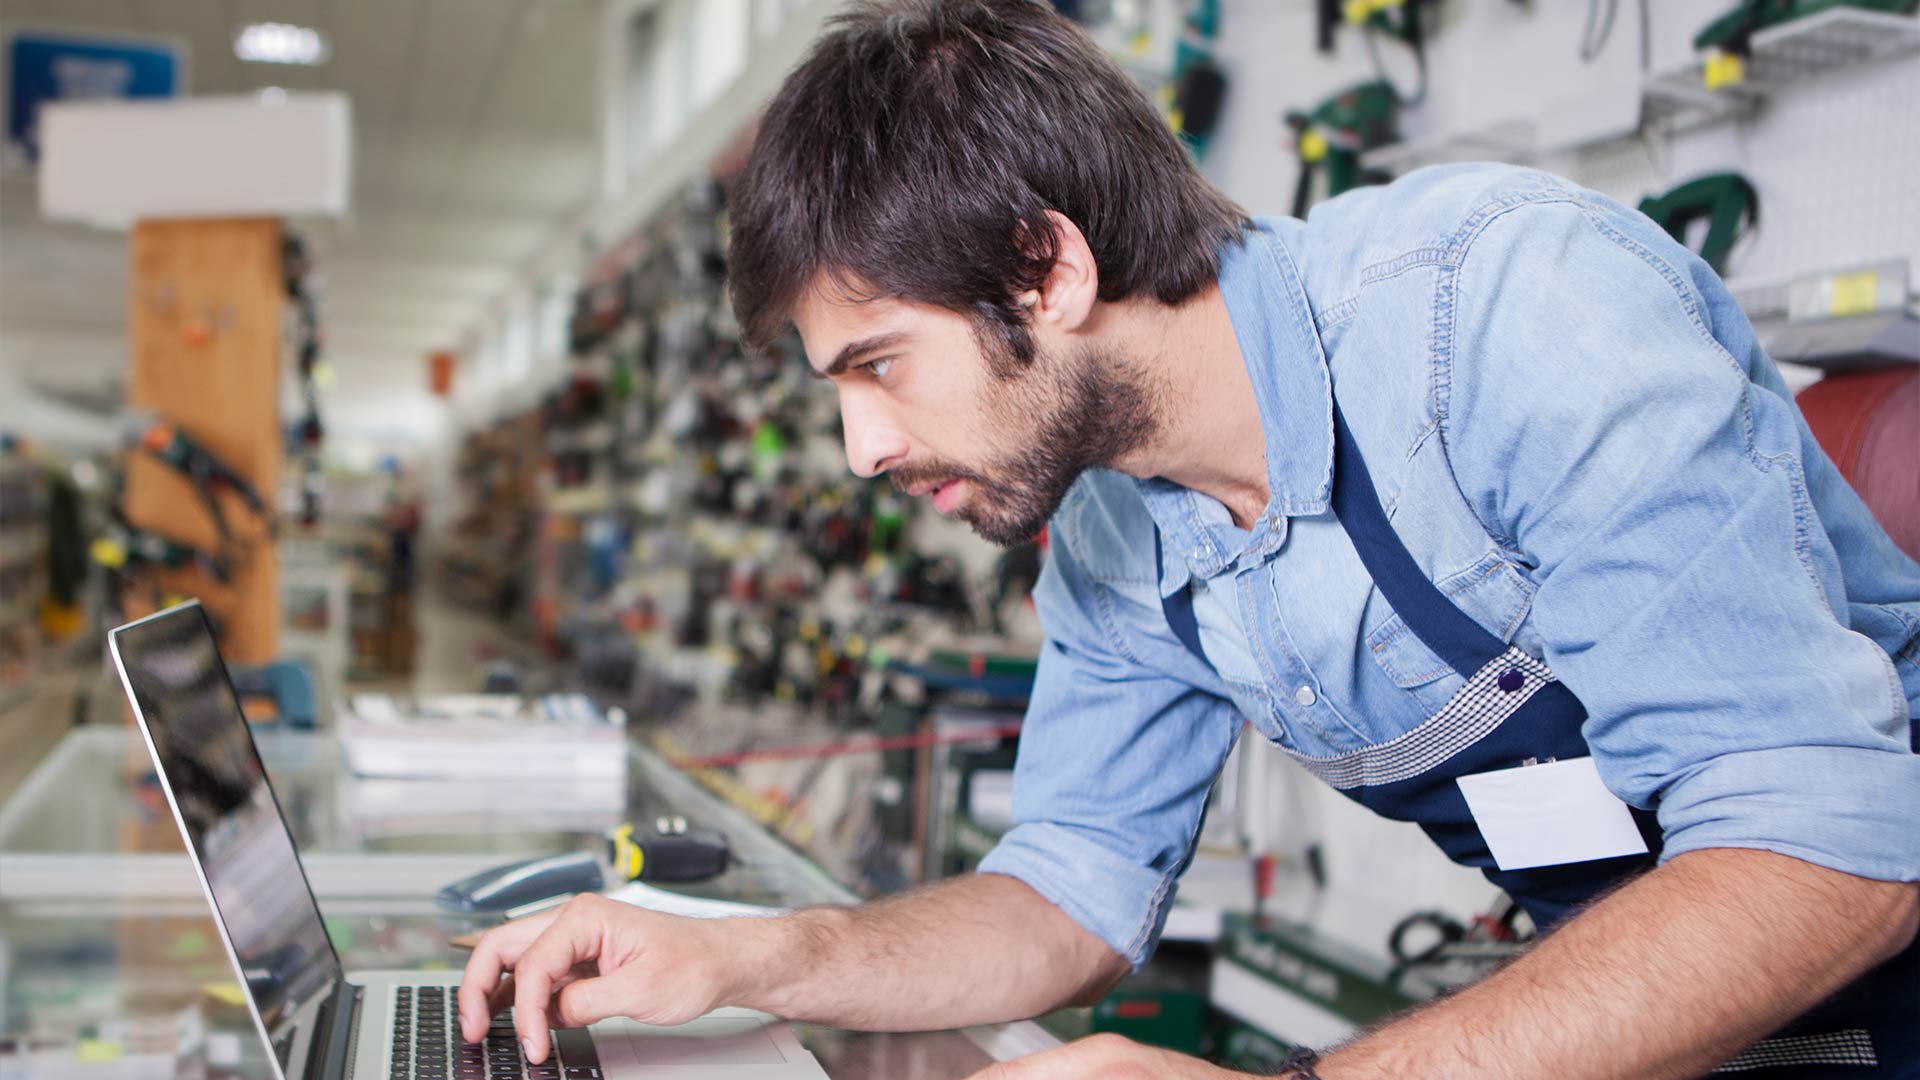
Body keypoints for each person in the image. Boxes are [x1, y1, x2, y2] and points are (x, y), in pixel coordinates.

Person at [459, 2, 1920, 1076]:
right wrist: (748, 960)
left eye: (879, 365)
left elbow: (1827, 855)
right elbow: (1067, 893)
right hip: (1657, 989)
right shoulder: (1112, 535)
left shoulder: (1504, 316)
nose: (863, 451)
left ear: (1049, 266)